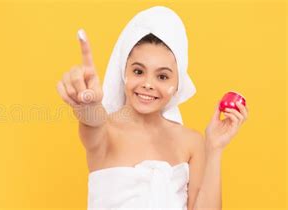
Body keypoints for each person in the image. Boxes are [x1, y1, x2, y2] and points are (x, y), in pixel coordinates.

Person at [56, 6, 249, 210]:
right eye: (138, 71)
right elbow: (91, 121)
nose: (148, 84)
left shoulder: (191, 142)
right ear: (124, 73)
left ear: (178, 84)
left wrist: (214, 149)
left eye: (162, 76)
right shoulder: (106, 132)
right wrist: (88, 105)